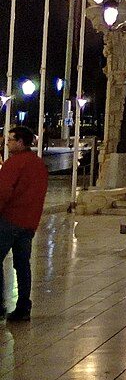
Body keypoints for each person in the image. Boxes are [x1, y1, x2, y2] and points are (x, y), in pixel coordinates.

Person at [0, 127, 50, 322]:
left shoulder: (14, 164)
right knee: (22, 265)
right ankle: (23, 307)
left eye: (11, 140)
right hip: (29, 222)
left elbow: (3, 192)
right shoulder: (39, 164)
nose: (7, 143)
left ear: (21, 142)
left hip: (10, 219)